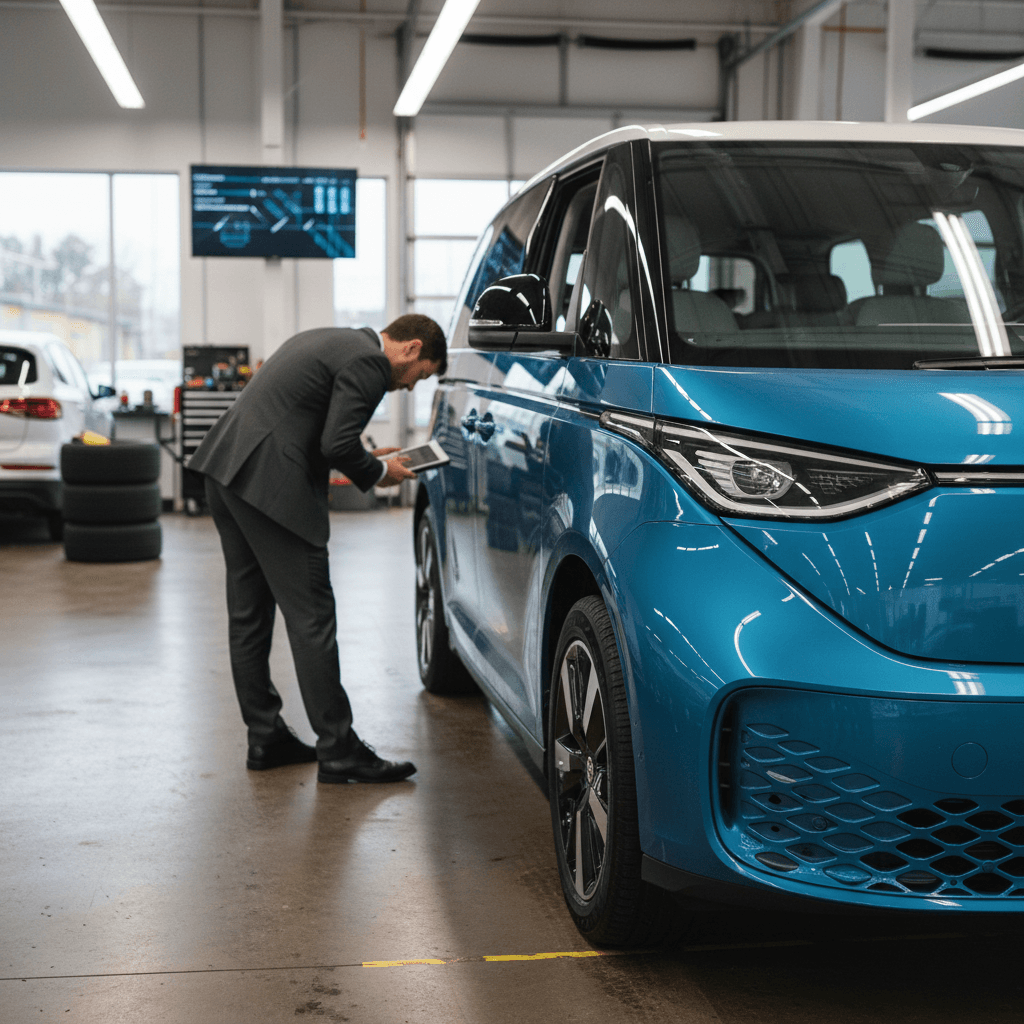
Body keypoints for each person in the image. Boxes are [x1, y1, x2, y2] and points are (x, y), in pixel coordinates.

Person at [189, 314, 446, 783]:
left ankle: (265, 735)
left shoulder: (334, 339)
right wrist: (378, 473)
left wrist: (371, 457)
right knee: (312, 618)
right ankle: (339, 747)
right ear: (410, 349)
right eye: (420, 376)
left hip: (226, 470)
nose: (410, 388)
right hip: (270, 486)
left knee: (249, 615)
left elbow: (310, 422)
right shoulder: (371, 364)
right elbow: (336, 442)